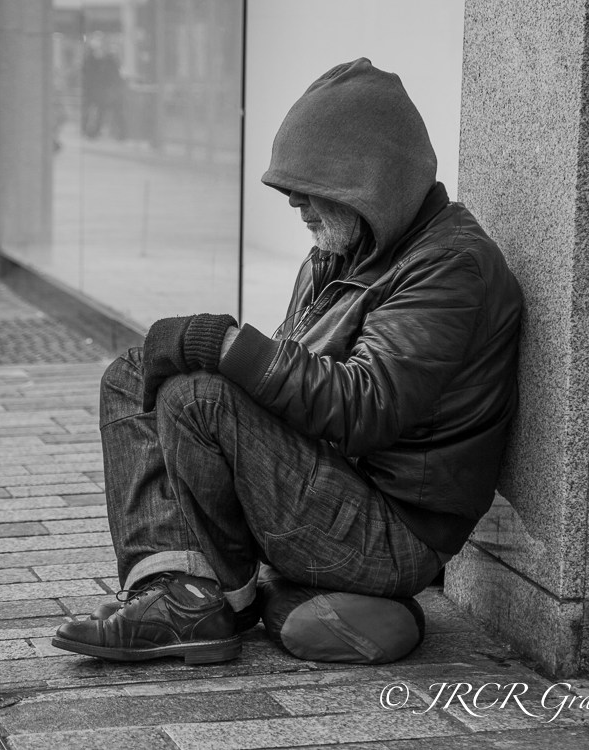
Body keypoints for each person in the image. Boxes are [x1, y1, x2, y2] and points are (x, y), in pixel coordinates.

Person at [52, 58, 524, 664]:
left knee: (197, 397)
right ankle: (174, 590)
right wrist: (211, 356)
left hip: (393, 532)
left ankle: (218, 601)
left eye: (312, 190)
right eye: (291, 191)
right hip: (329, 488)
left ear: (372, 181)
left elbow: (366, 407)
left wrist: (223, 346)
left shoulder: (451, 266)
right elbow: (278, 395)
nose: (297, 205)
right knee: (133, 374)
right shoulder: (339, 254)